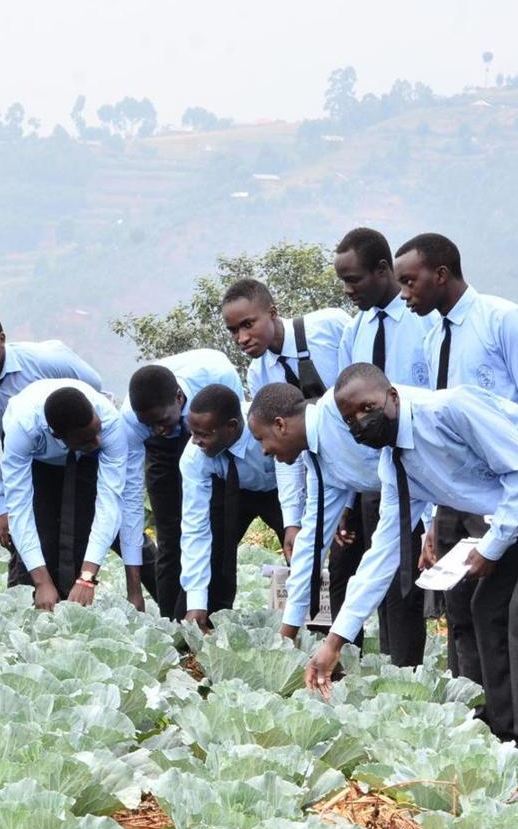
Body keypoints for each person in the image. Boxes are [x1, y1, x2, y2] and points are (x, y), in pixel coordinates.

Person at [310, 364, 518, 782]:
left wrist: (492, 546)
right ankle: (504, 741)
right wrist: (335, 640)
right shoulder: (394, 465)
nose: (361, 422)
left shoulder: (450, 409)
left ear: (393, 397)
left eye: (367, 408)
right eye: (349, 419)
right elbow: (383, 552)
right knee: (486, 606)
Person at [393, 233, 518, 684]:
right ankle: (472, 711)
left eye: (411, 281)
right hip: (452, 495)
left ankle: (510, 718)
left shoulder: (502, 320)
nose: (405, 294)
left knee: (495, 609)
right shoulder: (431, 338)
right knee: (457, 611)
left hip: (499, 490)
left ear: (440, 274)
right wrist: (430, 523)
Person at [247, 383, 425, 666]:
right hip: (407, 498)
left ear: (280, 425)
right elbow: (312, 543)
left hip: (439, 490)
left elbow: (417, 449)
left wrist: (434, 521)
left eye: (261, 439)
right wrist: (287, 635)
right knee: (386, 581)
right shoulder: (316, 460)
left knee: (418, 598)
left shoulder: (340, 413)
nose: (264, 451)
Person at [332, 227, 432, 664]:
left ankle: (407, 670)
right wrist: (350, 498)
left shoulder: (422, 320)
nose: (348, 290)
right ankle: (388, 668)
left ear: (382, 270)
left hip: (420, 466)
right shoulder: (355, 331)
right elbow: (346, 413)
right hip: (375, 473)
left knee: (407, 583)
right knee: (381, 572)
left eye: (354, 280)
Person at [221, 277, 351, 608]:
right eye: (234, 331)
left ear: (273, 312)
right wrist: (292, 520)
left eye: (248, 325)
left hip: (368, 469)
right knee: (333, 575)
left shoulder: (330, 327)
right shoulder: (258, 373)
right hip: (323, 477)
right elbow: (283, 451)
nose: (242, 338)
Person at [0, 307, 101, 584]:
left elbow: (93, 385)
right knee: (30, 537)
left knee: (84, 531)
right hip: (29, 463)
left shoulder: (45, 361)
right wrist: (0, 505)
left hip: (78, 453)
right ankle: (29, 605)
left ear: (2, 339)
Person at [0, 379, 143, 611]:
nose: (97, 441)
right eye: (88, 439)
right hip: (38, 458)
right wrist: (42, 582)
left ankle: (72, 607)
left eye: (97, 432)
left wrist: (87, 576)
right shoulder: (21, 428)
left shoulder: (108, 424)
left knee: (79, 533)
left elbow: (109, 505)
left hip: (84, 457)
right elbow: (20, 510)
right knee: (43, 535)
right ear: (58, 435)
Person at [122, 350, 245, 619]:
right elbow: (130, 493)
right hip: (161, 453)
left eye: (161, 421)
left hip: (211, 443)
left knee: (216, 528)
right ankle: (173, 622)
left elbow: (236, 434)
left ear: (179, 397)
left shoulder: (217, 374)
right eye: (149, 424)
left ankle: (214, 615)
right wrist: (134, 589)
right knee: (169, 538)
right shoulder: (132, 421)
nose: (157, 428)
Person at [177, 384, 282, 628]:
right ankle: (205, 621)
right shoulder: (194, 456)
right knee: (217, 549)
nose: (195, 441)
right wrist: (196, 603)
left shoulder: (266, 429)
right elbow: (195, 527)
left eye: (203, 434)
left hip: (280, 491)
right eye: (192, 433)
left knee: (300, 549)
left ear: (232, 426)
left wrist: (295, 525)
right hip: (231, 490)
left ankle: (315, 627)